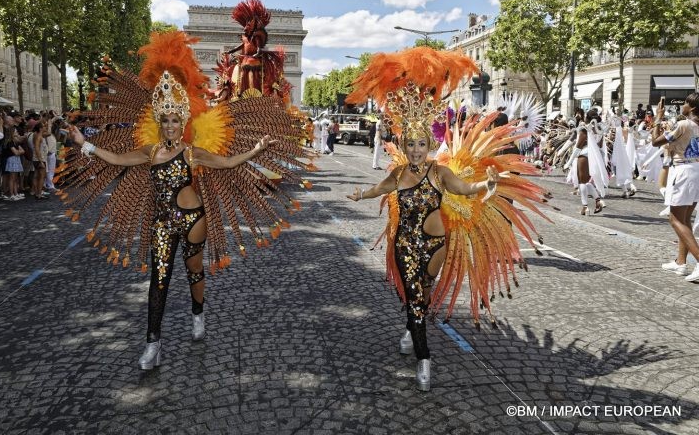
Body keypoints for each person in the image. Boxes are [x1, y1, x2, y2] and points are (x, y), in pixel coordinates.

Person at [57, 30, 312, 370]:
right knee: (158, 280)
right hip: (162, 222)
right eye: (167, 121)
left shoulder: (194, 152)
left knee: (194, 269)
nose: (173, 126)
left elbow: (227, 162)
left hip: (194, 220)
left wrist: (256, 150)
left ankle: (197, 313)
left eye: (177, 120)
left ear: (184, 122)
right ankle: (152, 343)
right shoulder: (148, 152)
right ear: (161, 123)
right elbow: (115, 159)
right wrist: (83, 143)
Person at [343, 46, 546, 391]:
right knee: (414, 298)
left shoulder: (440, 174)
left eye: (423, 144)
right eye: (412, 145)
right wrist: (362, 194)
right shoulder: (400, 174)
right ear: (406, 146)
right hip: (405, 244)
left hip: (436, 244)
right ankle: (424, 357)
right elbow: (380, 188)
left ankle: (412, 329)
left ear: (427, 144)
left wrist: (488, 183)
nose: (418, 149)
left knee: (423, 295)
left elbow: (467, 189)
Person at [651, 94, 699, 281]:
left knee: (675, 219)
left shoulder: (684, 124)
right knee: (685, 219)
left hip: (684, 170)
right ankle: (681, 262)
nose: (683, 106)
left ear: (693, 108)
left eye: (686, 103)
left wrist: (657, 118)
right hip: (696, 169)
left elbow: (656, 142)